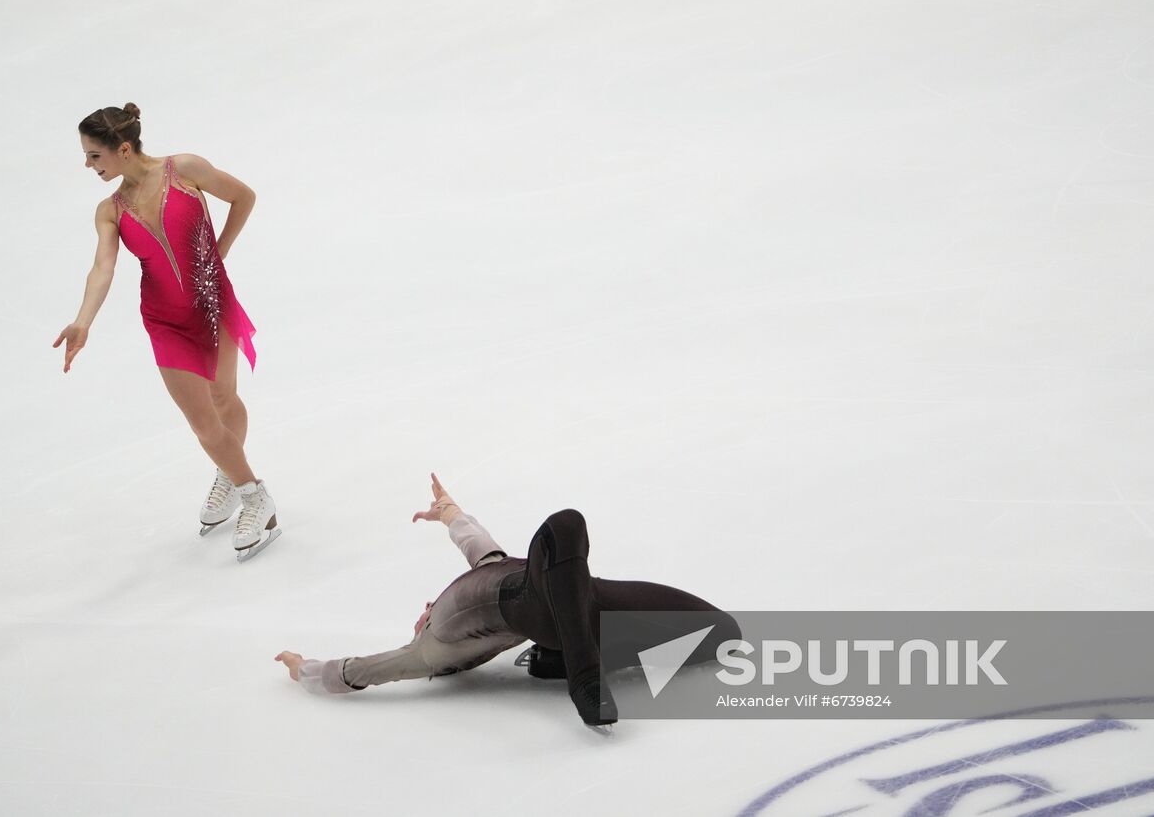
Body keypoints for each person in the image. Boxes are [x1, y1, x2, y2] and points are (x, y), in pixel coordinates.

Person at [275, 474, 739, 728]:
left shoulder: (480, 574)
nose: (424, 609)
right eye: (422, 614)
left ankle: (564, 659)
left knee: (722, 633)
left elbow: (476, 543)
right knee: (566, 525)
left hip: (577, 598)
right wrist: (305, 670)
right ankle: (583, 674)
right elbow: (362, 671)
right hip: (531, 602)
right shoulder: (429, 650)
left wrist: (449, 511)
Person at [55, 103, 278, 559]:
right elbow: (103, 267)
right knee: (202, 422)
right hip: (164, 321)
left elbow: (244, 196)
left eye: (94, 156)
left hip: (211, 305)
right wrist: (83, 320)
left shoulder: (186, 169)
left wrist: (220, 252)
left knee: (223, 401)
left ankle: (229, 470)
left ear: (122, 149)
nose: (88, 165)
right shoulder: (110, 210)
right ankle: (256, 496)